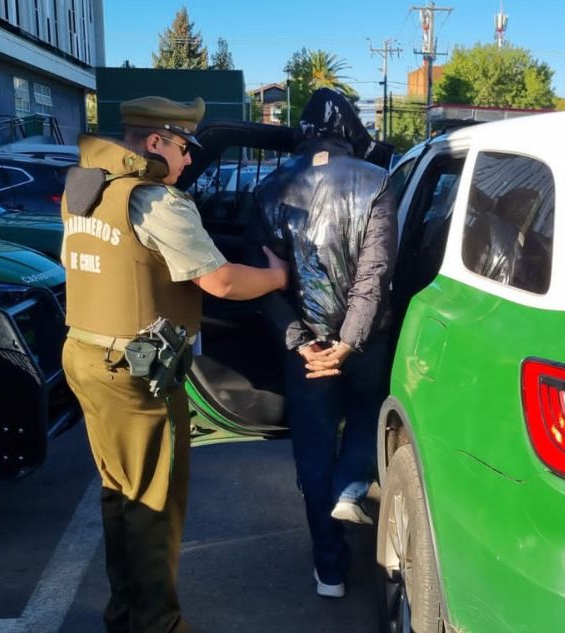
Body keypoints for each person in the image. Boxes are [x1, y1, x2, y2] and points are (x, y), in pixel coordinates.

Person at [60, 95, 287, 633]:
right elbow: (221, 281)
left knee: (120, 494)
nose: (188, 162)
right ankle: (159, 624)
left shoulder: (86, 190)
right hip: (134, 369)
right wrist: (280, 278)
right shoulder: (157, 200)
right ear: (156, 142)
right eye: (184, 148)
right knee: (156, 503)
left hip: (84, 355)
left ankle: (127, 613)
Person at [251, 88, 397, 599]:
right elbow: (373, 276)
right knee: (367, 411)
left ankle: (329, 570)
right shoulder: (377, 181)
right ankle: (350, 487)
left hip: (305, 349)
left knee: (312, 452)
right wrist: (350, 342)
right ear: (351, 133)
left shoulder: (269, 188)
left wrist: (301, 343)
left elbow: (268, 282)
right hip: (366, 341)